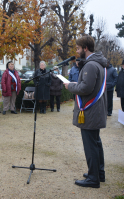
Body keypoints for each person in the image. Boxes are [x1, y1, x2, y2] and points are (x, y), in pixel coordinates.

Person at [64, 35, 107, 188]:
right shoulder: (98, 63)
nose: (76, 51)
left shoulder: (90, 65)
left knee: (90, 145)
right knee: (96, 143)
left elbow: (85, 88)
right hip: (95, 111)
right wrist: (77, 84)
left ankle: (93, 178)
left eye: (78, 48)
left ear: (85, 48)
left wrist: (70, 86)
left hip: (90, 112)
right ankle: (98, 173)